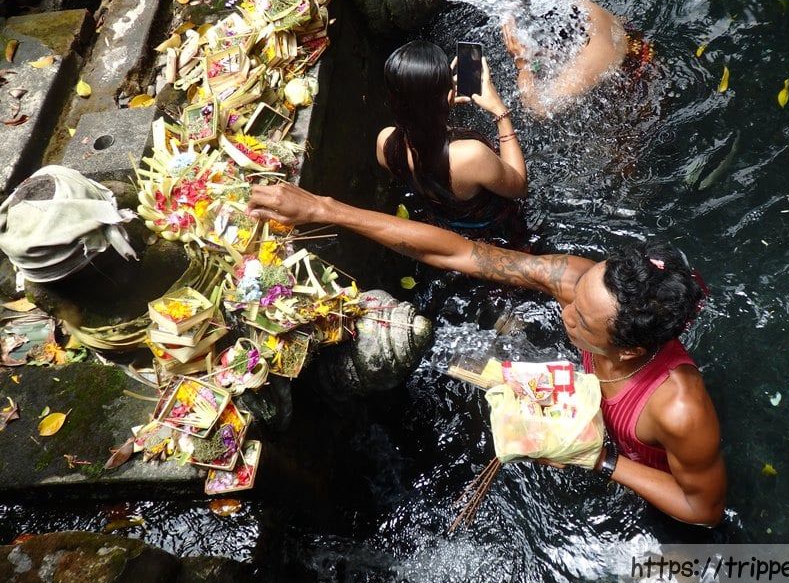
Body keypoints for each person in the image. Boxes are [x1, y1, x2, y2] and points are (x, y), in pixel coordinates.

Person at [246, 185, 727, 526]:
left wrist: (597, 459)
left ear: (631, 349)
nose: (566, 312)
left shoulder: (679, 409)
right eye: (575, 299)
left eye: (582, 320)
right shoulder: (579, 283)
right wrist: (325, 209)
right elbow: (461, 254)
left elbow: (703, 509)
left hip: (633, 477)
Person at [376, 40, 527, 233]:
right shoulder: (470, 155)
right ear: (449, 95)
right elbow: (520, 187)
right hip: (496, 232)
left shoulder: (385, 143)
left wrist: (437, 109)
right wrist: (500, 111)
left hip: (445, 226)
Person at [501, 0, 654, 117]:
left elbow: (537, 109)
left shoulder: (585, 66)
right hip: (637, 44)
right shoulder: (585, 8)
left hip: (639, 89)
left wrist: (523, 64)